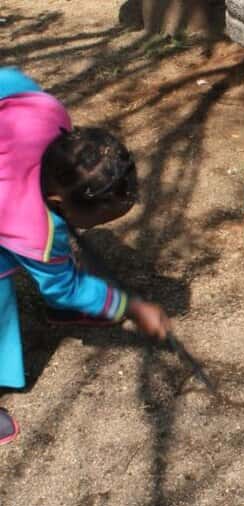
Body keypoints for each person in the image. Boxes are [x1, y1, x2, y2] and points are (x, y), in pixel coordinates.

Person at [0, 67, 171, 445]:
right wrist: (130, 307)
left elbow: (11, 81)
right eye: (94, 220)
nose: (94, 229)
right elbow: (66, 287)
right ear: (57, 202)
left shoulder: (46, 113)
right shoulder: (34, 228)